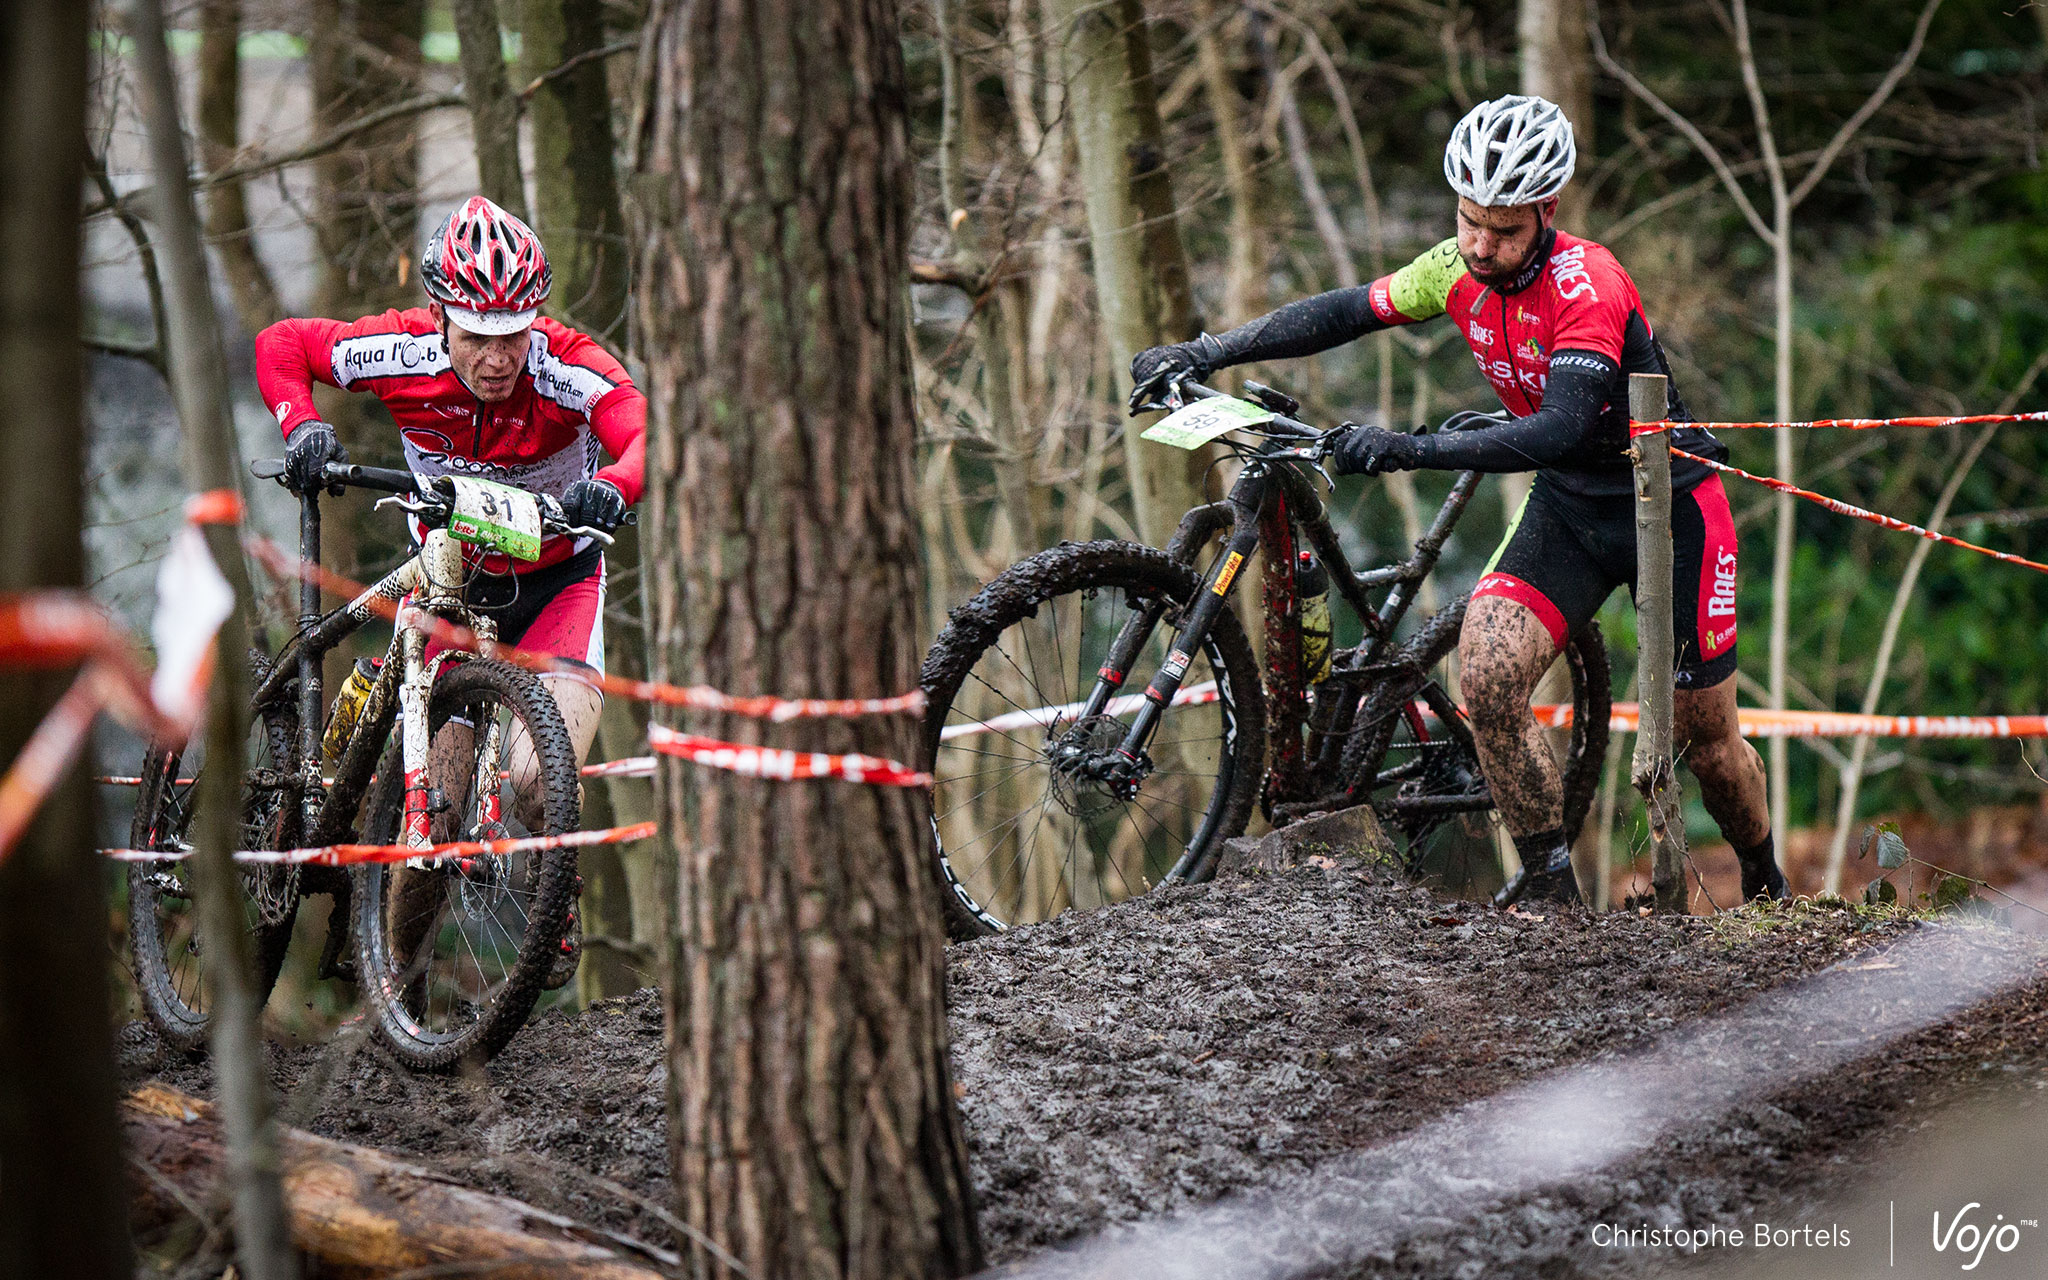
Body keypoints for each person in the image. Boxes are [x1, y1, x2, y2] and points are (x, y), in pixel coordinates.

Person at [1129, 95, 1786, 908]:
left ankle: (1766, 885)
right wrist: (1207, 350)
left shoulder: (1588, 285)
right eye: (1469, 221)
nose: (1479, 245)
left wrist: (1408, 449)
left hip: (1672, 510)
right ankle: (1551, 896)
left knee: (1707, 742)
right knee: (1488, 676)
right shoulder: (1453, 268)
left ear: (1547, 211)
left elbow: (1559, 428)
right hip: (1570, 510)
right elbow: (1346, 311)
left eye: (1503, 230)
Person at [255, 195, 644, 972]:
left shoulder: (567, 366)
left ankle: (554, 901)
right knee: (434, 818)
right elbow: (282, 344)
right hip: (451, 587)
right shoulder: (400, 350)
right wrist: (303, 424)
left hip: (557, 588)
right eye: (476, 337)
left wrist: (616, 484)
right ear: (438, 318)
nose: (498, 359)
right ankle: (397, 998)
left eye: (513, 336)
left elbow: (640, 425)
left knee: (539, 782)